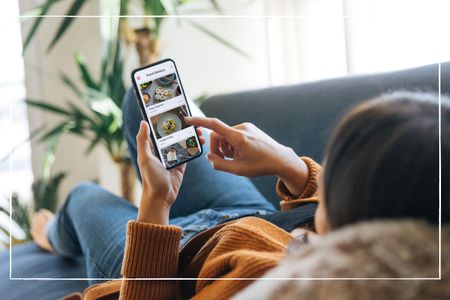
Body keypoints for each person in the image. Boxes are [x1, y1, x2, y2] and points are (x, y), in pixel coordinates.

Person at [31, 92, 449, 299]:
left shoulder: (272, 289)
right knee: (144, 100)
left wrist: (156, 203)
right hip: (249, 216)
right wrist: (288, 163)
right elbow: (324, 212)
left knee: (84, 197)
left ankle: (53, 235)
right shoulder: (389, 234)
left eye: (335, 171)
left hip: (168, 256)